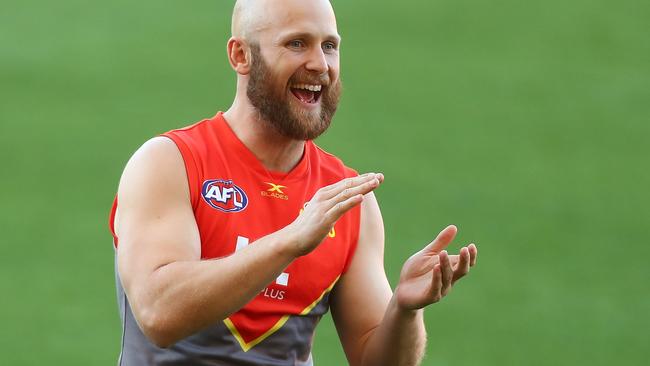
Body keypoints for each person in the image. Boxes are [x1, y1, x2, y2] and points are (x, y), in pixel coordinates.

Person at [109, 0, 478, 365]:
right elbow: (159, 313)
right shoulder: (171, 163)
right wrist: (289, 241)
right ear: (241, 56)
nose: (320, 64)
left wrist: (404, 311)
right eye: (296, 43)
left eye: (329, 46)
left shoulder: (348, 200)